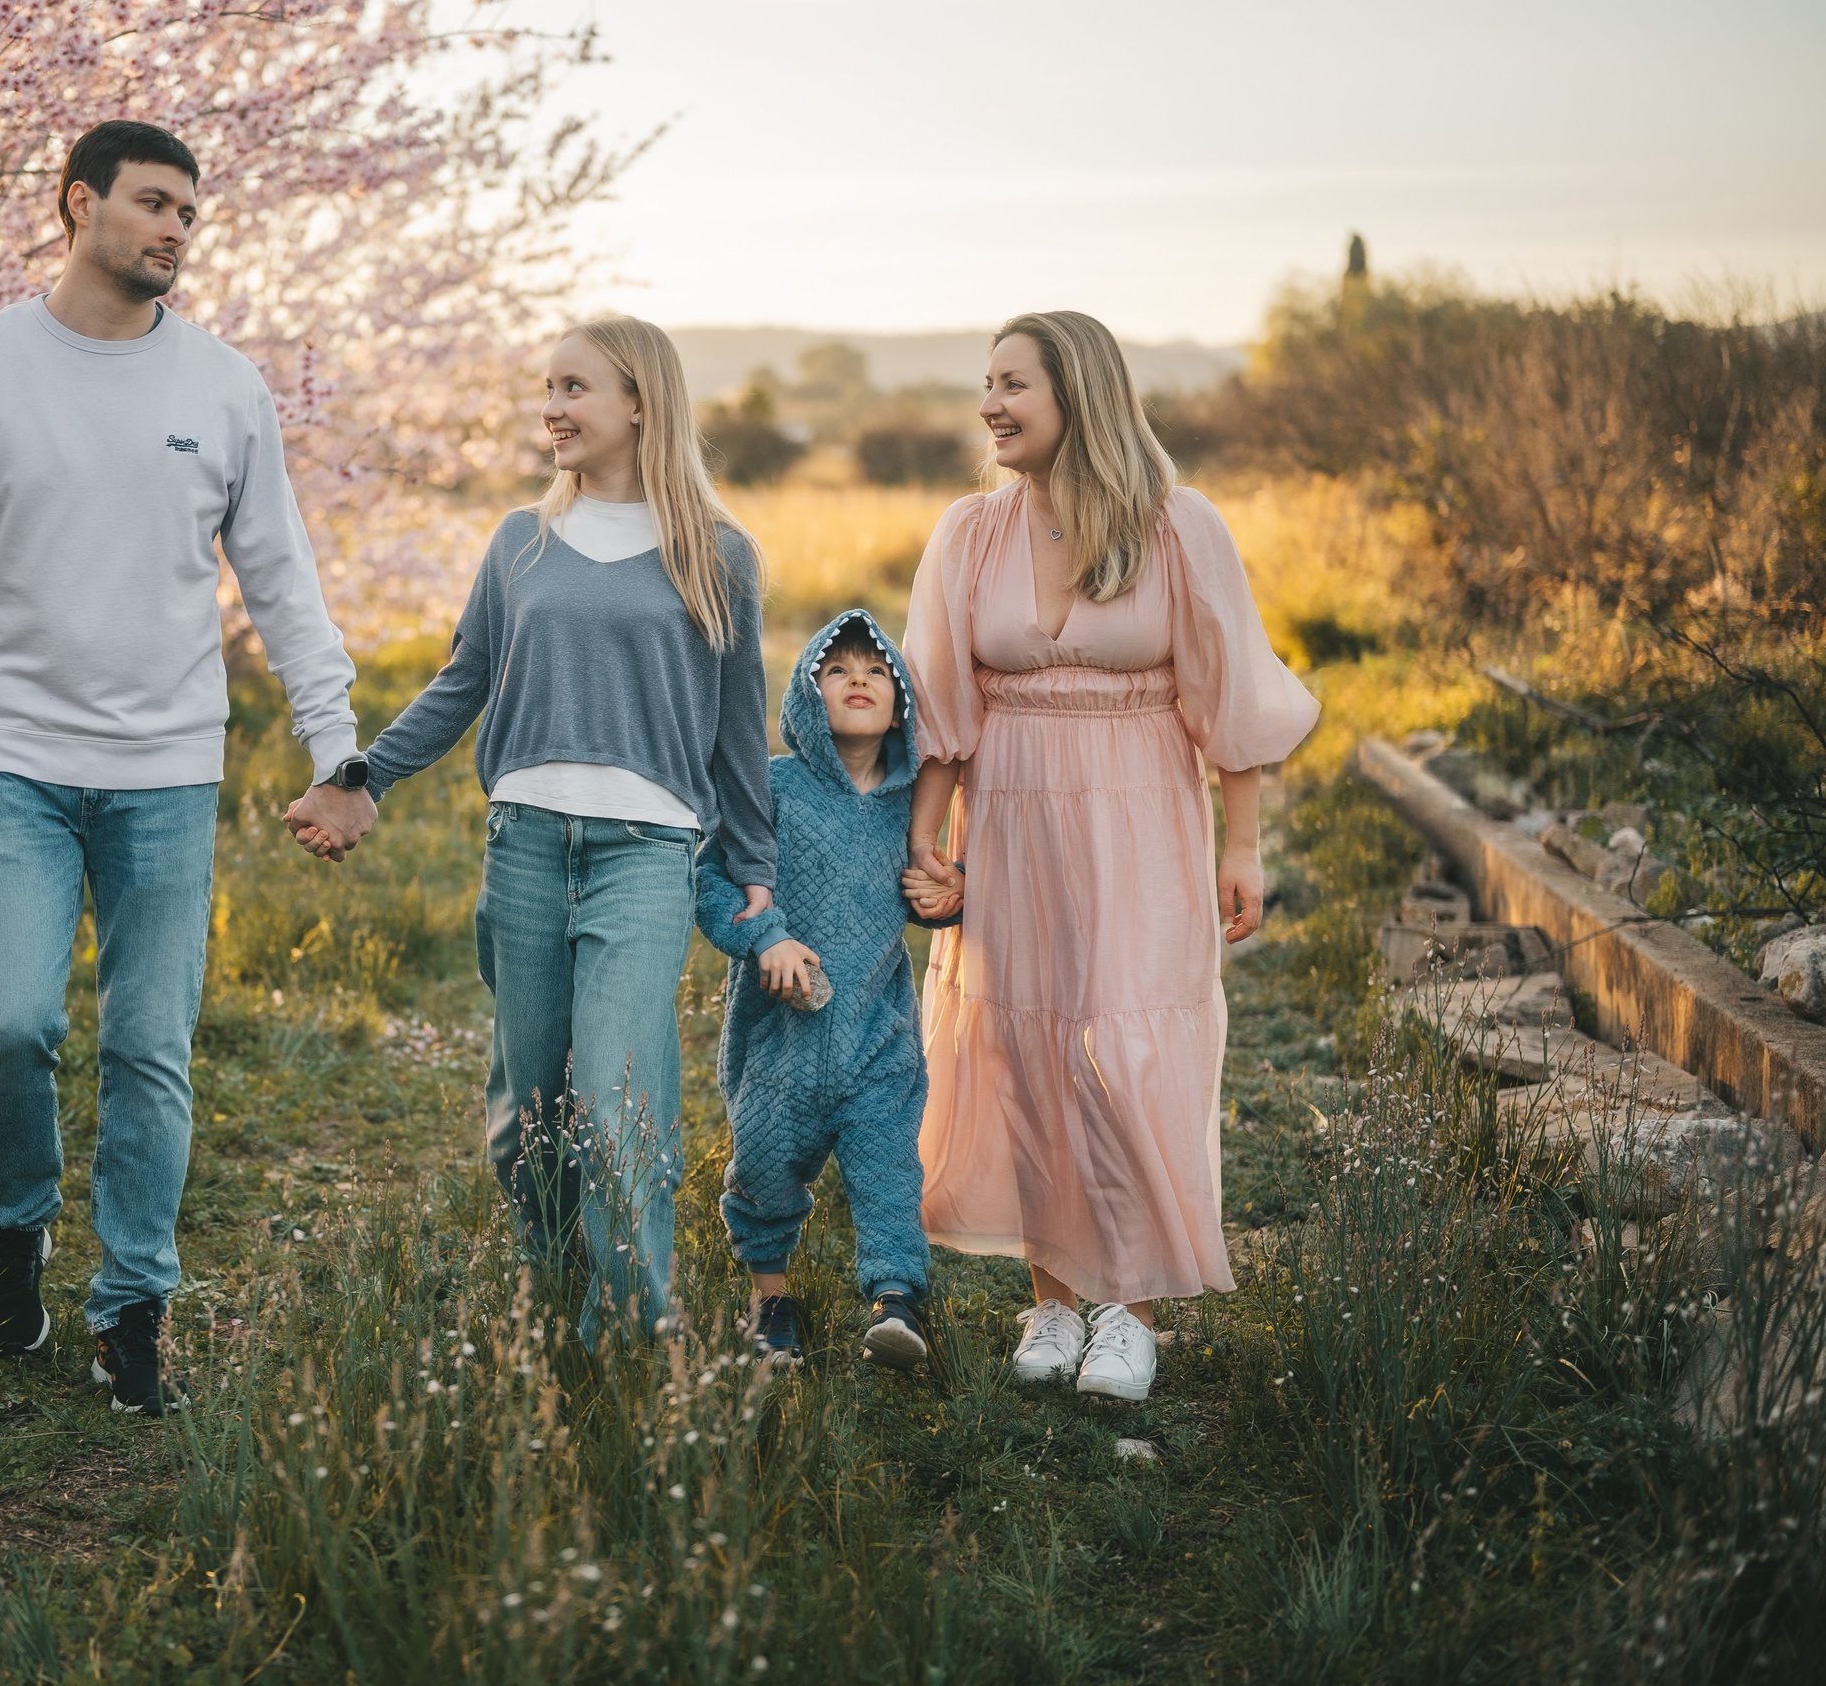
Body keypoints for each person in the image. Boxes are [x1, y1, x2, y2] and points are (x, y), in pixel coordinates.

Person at [0, 120, 378, 1415]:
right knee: (15, 1024)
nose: (175, 228)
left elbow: (281, 577)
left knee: (151, 1044)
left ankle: (132, 1306)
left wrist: (341, 746)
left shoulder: (223, 387)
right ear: (76, 201)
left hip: (167, 770)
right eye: (153, 203)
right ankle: (14, 1225)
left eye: (189, 214)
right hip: (13, 765)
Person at [295, 315, 774, 1340]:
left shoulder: (718, 553)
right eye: (545, 388)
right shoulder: (522, 539)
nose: (549, 408)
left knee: (615, 1100)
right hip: (522, 846)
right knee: (524, 1120)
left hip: (644, 858)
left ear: (639, 401)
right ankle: (555, 1297)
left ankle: (640, 1329)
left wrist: (754, 867)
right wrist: (361, 777)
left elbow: (738, 730)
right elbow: (461, 681)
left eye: (573, 388)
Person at [898, 311, 1318, 1403]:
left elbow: (1228, 695)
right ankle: (1049, 1296)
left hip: (1138, 810)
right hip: (1010, 814)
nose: (989, 404)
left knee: (1128, 1044)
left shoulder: (1179, 526)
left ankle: (1127, 1310)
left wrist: (1246, 843)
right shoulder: (968, 532)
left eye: (1012, 385)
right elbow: (941, 706)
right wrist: (921, 845)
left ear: (1076, 394)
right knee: (1023, 1046)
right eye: (984, 383)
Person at [694, 611, 956, 1371]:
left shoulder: (911, 810)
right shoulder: (772, 786)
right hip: (781, 1040)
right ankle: (770, 1300)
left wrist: (950, 893)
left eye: (877, 670)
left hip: (878, 1037)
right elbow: (711, 878)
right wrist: (761, 933)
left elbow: (934, 886)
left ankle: (896, 1298)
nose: (858, 681)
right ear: (808, 694)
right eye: (836, 670)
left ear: (903, 699)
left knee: (887, 1170)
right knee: (766, 1168)